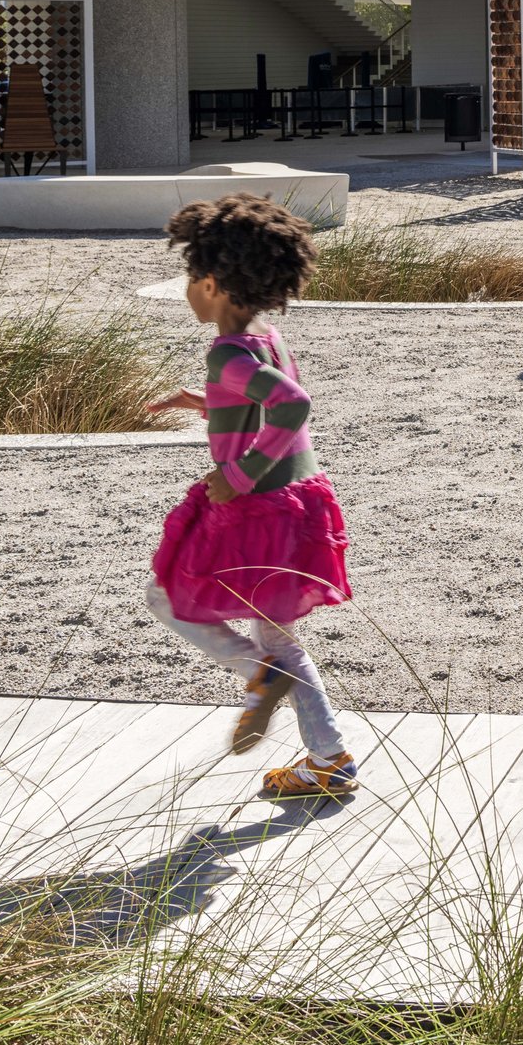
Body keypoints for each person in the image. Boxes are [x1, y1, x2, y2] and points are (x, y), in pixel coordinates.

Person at [146, 193, 358, 800]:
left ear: (211, 283)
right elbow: (274, 394)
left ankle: (258, 678)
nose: (187, 288)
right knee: (279, 635)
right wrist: (210, 401)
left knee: (166, 595)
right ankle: (329, 759)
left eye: (190, 277)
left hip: (255, 507)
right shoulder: (267, 336)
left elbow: (292, 405)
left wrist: (239, 475)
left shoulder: (227, 351)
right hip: (300, 504)